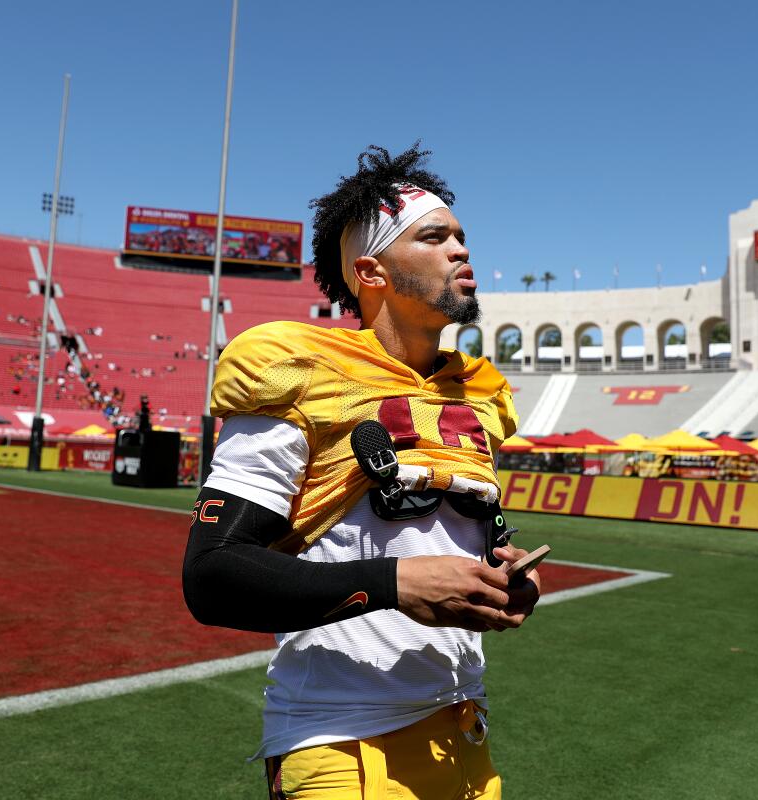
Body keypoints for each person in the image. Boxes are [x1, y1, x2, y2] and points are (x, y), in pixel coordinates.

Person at [182, 143, 540, 799]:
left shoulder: (478, 392)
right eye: (434, 237)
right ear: (371, 272)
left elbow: (454, 541)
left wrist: (505, 578)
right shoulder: (298, 367)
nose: (460, 250)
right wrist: (396, 584)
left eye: (460, 236)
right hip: (344, 744)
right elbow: (213, 574)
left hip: (465, 736)